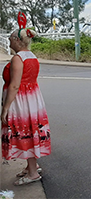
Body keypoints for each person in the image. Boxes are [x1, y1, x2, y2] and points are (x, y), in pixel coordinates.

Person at [1, 17, 51, 186]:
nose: (8, 41)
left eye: (10, 38)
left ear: (17, 40)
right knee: (30, 131)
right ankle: (32, 165)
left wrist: (5, 108)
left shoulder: (18, 58)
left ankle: (32, 173)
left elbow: (15, 85)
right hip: (32, 100)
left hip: (20, 101)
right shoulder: (32, 56)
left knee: (23, 132)